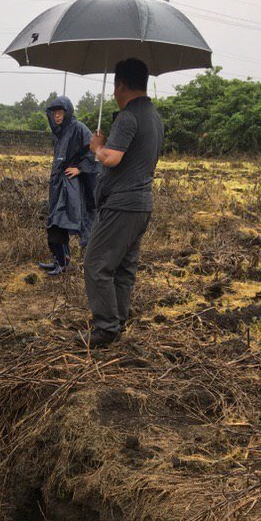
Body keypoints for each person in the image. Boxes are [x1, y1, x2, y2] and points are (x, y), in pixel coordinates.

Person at [85, 58, 164, 348]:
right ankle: (118, 322)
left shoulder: (128, 117)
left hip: (122, 205)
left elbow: (111, 158)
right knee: (123, 268)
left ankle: (106, 328)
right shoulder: (154, 116)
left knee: (96, 264)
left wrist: (97, 147)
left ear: (119, 85)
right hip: (142, 204)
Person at [41, 95, 97, 275]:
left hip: (71, 185)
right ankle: (59, 260)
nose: (57, 116)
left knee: (62, 219)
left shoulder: (79, 128)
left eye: (60, 112)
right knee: (54, 223)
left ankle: (67, 264)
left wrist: (80, 169)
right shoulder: (58, 133)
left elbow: (94, 151)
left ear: (67, 112)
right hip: (57, 183)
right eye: (54, 113)